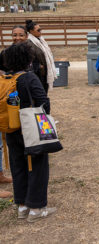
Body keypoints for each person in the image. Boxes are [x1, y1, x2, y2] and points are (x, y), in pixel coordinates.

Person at [3, 43, 56, 222]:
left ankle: (22, 206)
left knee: (18, 166)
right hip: (31, 129)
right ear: (28, 60)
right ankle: (36, 208)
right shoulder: (29, 78)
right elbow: (43, 103)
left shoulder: (5, 79)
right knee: (37, 166)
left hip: (11, 129)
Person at [0, 26, 48, 92]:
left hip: (30, 88)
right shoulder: (5, 53)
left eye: (21, 35)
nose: (17, 38)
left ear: (26, 36)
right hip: (11, 90)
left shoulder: (33, 51)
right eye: (14, 35)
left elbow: (39, 71)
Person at [26, 20, 57, 93]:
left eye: (41, 29)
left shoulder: (41, 40)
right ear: (31, 31)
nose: (41, 31)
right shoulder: (28, 43)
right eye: (38, 30)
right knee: (39, 93)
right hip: (37, 74)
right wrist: (38, 66)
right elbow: (28, 59)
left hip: (44, 72)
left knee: (44, 92)